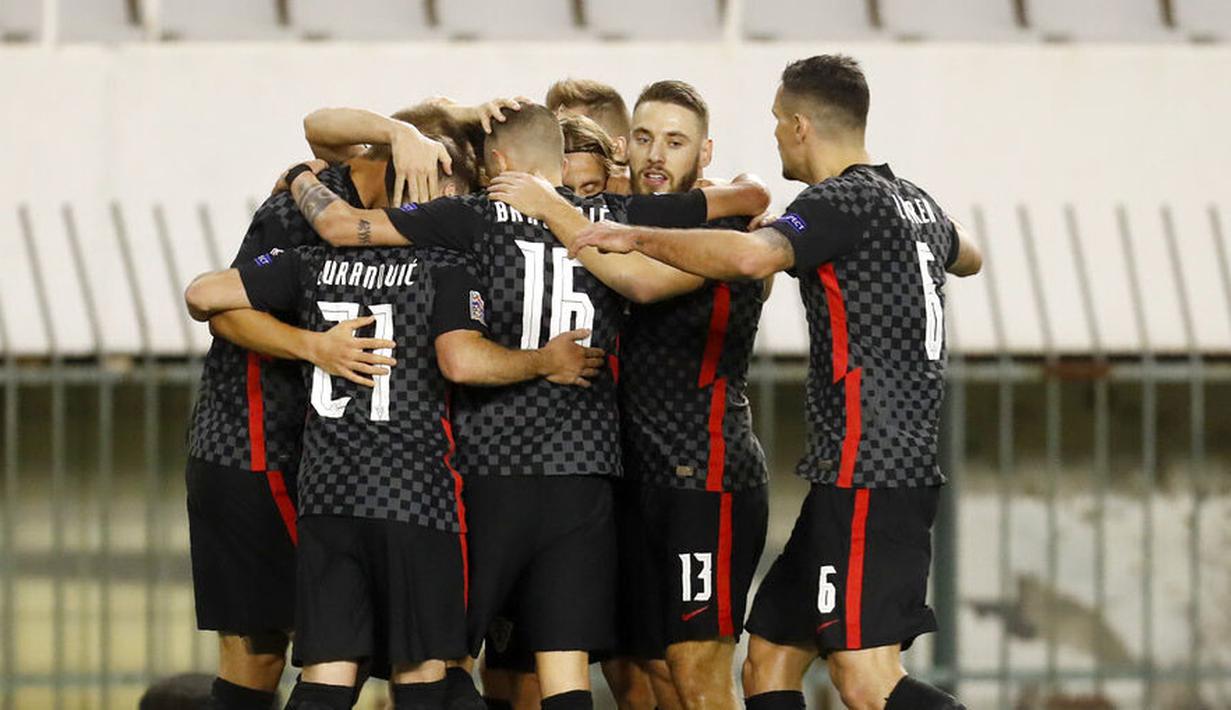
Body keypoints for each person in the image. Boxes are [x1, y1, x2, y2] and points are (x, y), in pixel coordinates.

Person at [282, 102, 769, 710]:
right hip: (582, 476)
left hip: (486, 471)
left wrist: (300, 178)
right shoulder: (614, 215)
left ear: (503, 164)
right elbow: (748, 200)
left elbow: (342, 229)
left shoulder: (470, 216)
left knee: (445, 655)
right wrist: (729, 191)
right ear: (559, 161)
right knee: (563, 670)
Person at [568, 55, 982, 710]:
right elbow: (970, 254)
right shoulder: (913, 202)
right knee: (768, 659)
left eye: (773, 124)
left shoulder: (836, 201)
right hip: (844, 471)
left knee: (865, 681)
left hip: (872, 470)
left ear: (797, 126)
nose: (772, 137)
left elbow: (750, 255)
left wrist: (631, 234)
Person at [185, 225, 601, 709]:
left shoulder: (309, 261)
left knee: (328, 671)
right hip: (415, 498)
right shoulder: (447, 266)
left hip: (326, 498)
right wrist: (545, 362)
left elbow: (202, 294)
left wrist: (311, 344)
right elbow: (462, 360)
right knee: (424, 670)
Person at [185, 107, 474, 710]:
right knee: (291, 649)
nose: (453, 197)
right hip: (262, 451)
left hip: (325, 475)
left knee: (331, 660)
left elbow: (205, 292)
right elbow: (221, 305)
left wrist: (298, 173)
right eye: (444, 179)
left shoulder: (328, 240)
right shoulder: (318, 221)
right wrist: (313, 346)